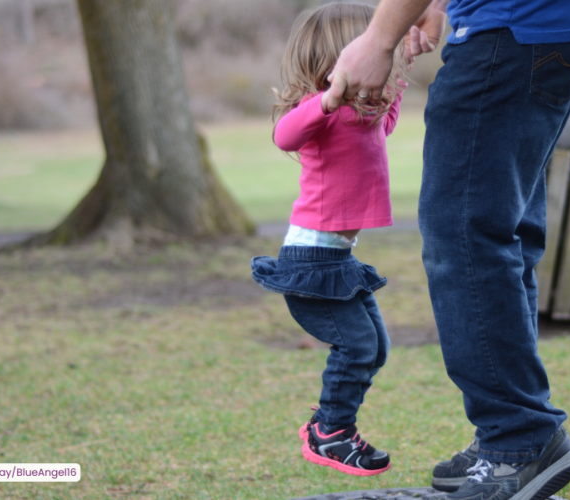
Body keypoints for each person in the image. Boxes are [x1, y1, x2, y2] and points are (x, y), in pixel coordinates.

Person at [325, 0, 570, 498]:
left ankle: (519, 439)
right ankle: (511, 432)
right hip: (553, 25)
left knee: (464, 234)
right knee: (501, 230)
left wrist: (378, 40)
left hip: (511, 30)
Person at [250, 2, 408, 477]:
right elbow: (283, 136)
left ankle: (329, 422)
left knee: (376, 348)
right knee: (358, 347)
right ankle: (332, 433)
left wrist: (401, 68)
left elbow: (385, 123)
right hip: (311, 261)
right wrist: (328, 98)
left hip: (337, 259)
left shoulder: (361, 117)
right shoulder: (319, 112)